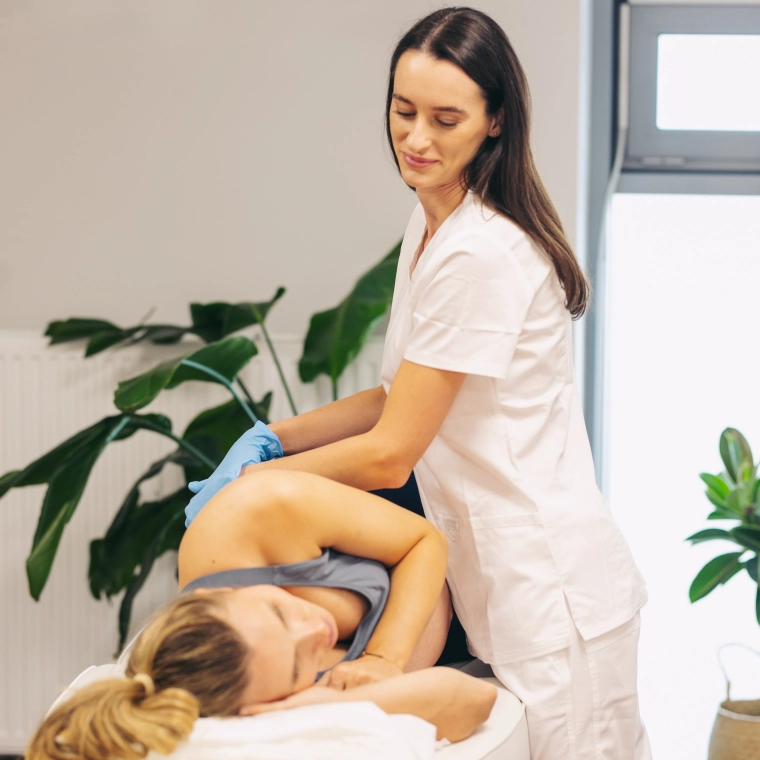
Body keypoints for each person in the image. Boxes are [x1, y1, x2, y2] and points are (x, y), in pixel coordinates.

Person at [185, 7, 651, 759]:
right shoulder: (432, 225)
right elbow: (391, 396)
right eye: (403, 112)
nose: (417, 139)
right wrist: (270, 437)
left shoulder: (480, 254)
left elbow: (391, 451)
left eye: (445, 119)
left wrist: (255, 488)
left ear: (496, 121)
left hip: (546, 586)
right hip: (498, 576)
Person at [27, 470, 497, 760]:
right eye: (296, 668)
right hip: (470, 623)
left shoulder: (245, 519)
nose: (316, 630)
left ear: (222, 594)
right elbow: (470, 701)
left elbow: (425, 541)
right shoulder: (258, 686)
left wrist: (383, 659)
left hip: (437, 510)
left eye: (279, 612)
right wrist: (314, 705)